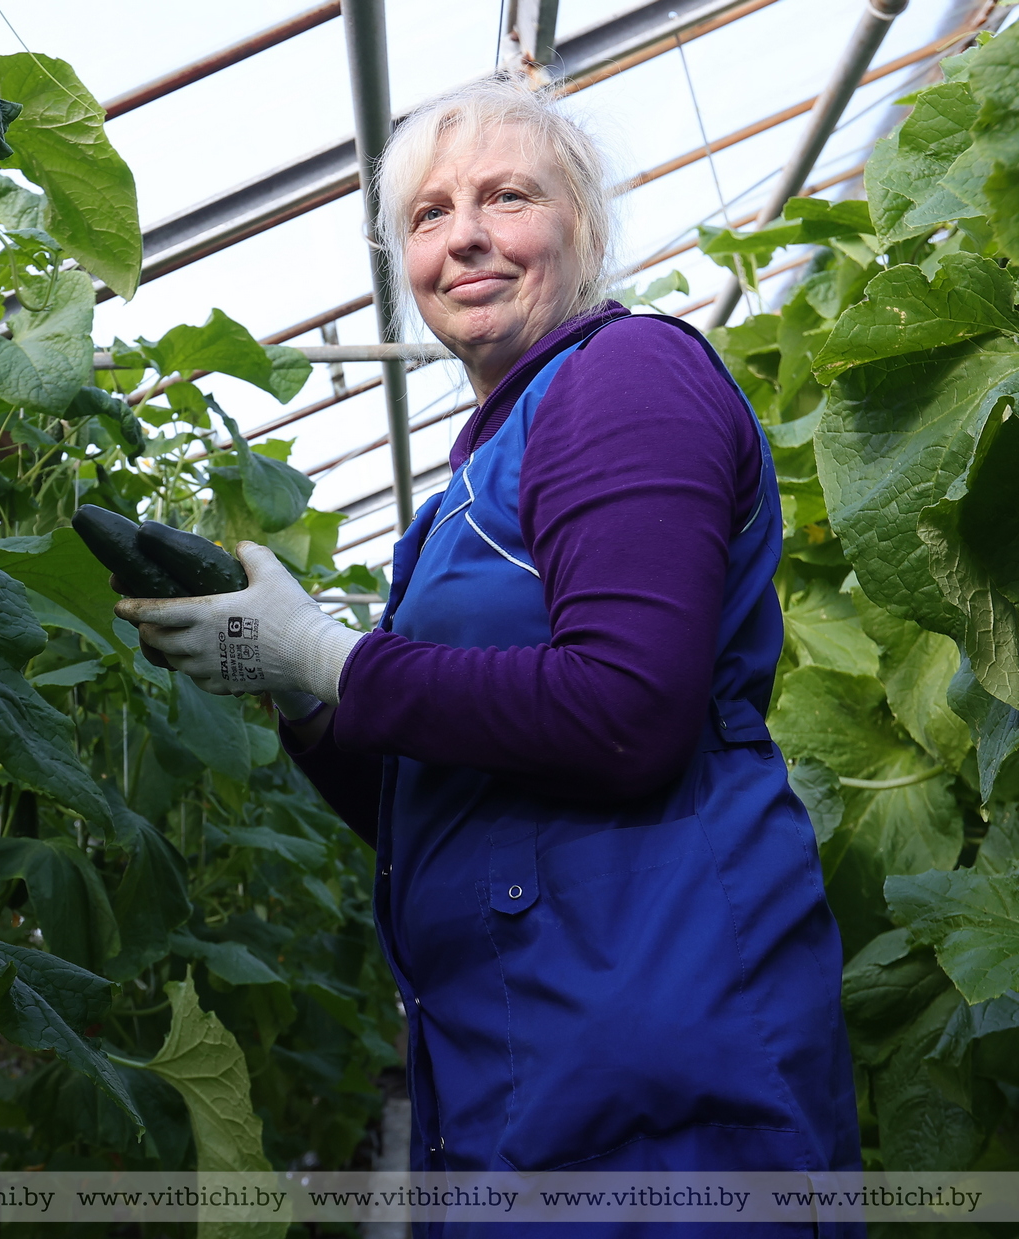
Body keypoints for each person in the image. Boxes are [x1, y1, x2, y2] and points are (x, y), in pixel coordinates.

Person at [117, 78, 860, 1231]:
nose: (463, 235)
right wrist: (301, 697)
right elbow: (442, 805)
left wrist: (327, 654)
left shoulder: (624, 379)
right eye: (427, 214)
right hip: (539, 1065)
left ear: (583, 227)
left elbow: (624, 710)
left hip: (655, 1064)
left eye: (507, 197)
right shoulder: (476, 476)